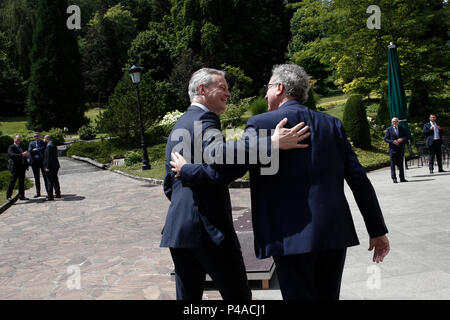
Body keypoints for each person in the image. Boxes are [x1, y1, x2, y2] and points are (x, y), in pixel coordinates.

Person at [170, 64, 390, 300]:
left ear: (280, 88)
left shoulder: (260, 124)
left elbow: (226, 168)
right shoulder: (331, 124)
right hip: (332, 233)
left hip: (287, 236)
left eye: (268, 87)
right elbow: (359, 179)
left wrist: (187, 171)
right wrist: (377, 230)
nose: (265, 94)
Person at [161, 68, 310, 300]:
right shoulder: (205, 118)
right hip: (210, 230)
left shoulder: (180, 124)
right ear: (202, 90)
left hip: (178, 230)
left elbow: (169, 184)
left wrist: (193, 179)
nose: (229, 94)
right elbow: (219, 155)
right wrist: (271, 143)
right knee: (238, 297)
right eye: (223, 88)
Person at [6, 136, 30, 201]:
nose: (19, 141)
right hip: (15, 167)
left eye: (20, 139)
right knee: (12, 181)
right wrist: (22, 154)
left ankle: (21, 195)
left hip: (22, 167)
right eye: (17, 139)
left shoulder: (21, 147)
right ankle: (8, 196)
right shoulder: (11, 147)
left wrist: (26, 156)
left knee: (21, 182)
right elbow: (12, 155)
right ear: (14, 139)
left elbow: (24, 156)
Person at [384, 118, 408, 183]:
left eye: (396, 121)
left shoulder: (401, 128)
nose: (395, 123)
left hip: (400, 149)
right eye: (393, 121)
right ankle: (394, 178)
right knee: (392, 164)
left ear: (398, 122)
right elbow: (386, 139)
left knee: (401, 164)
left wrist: (402, 139)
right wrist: (392, 141)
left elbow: (406, 137)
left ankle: (402, 178)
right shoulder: (389, 129)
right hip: (392, 149)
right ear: (392, 122)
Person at [28, 132, 49, 197]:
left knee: (46, 178)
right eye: (34, 136)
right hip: (34, 162)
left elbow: (44, 149)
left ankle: (49, 192)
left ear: (40, 136)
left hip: (42, 162)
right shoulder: (31, 143)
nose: (36, 137)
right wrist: (38, 150)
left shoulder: (43, 143)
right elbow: (30, 151)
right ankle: (38, 193)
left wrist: (36, 149)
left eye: (37, 136)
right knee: (36, 178)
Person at [43, 135, 61, 201]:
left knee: (49, 181)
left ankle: (50, 196)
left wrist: (47, 167)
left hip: (51, 166)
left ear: (47, 139)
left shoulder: (49, 146)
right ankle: (58, 193)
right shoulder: (53, 145)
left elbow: (49, 158)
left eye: (44, 138)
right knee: (55, 179)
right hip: (55, 165)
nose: (43, 140)